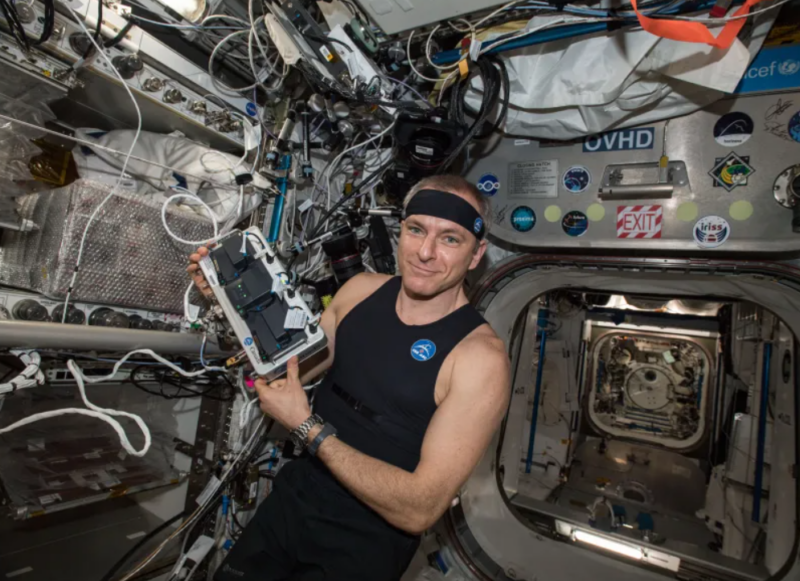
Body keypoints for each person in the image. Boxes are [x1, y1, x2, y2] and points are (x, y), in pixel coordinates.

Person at [187, 174, 510, 581]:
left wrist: (306, 428)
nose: (425, 252)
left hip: (366, 539)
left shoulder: (480, 359)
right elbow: (284, 371)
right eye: (416, 230)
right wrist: (230, 301)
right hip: (294, 498)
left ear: (476, 254)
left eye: (450, 239)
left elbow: (420, 508)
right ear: (400, 231)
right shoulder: (359, 291)